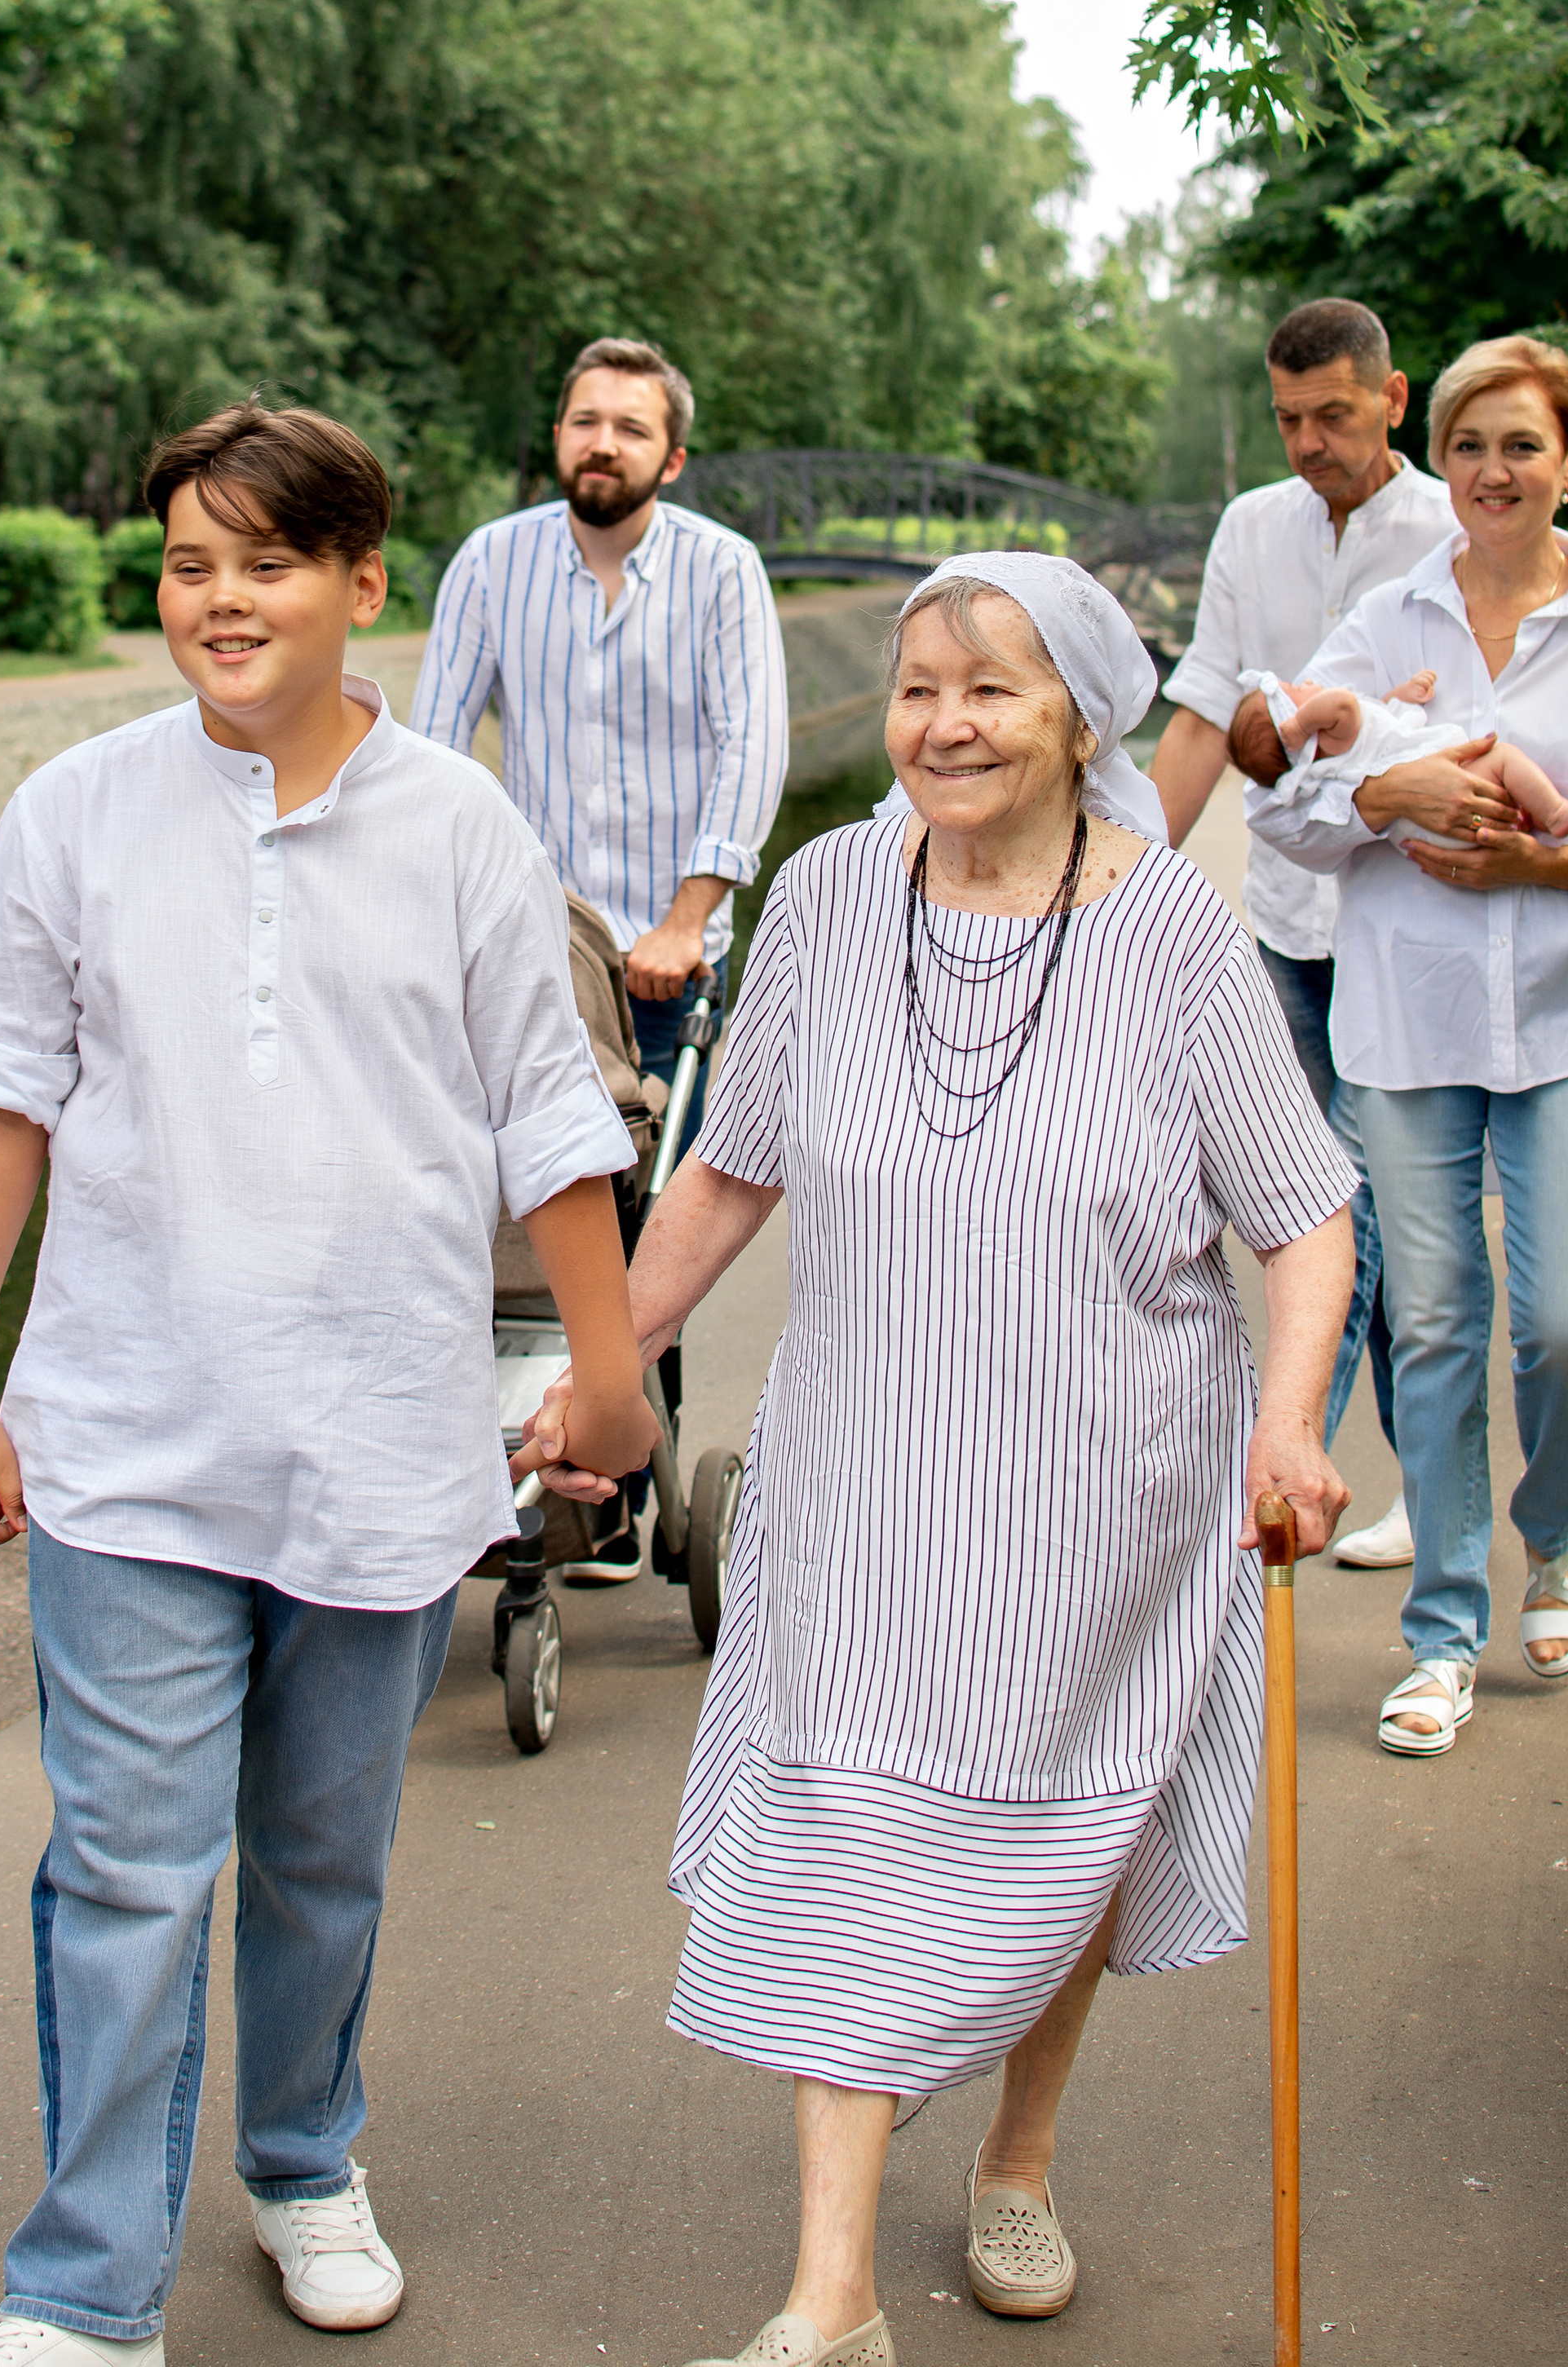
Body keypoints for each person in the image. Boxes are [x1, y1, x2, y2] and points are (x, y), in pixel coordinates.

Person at [521, 554, 1355, 2360]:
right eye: (916, 689)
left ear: (1080, 717)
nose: (943, 725)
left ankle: (1017, 2158)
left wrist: (1287, 1425)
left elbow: (1302, 1217)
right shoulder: (829, 895)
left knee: (1062, 1836)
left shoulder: (1172, 935)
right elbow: (729, 1168)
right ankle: (829, 2299)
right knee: (849, 1834)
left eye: (990, 689)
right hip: (864, 1470)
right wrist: (610, 1364)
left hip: (1106, 1484)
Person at [0, 401, 655, 2367]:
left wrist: (609, 1371)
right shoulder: (72, 810)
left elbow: (547, 1117)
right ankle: (85, 2292)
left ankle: (302, 2158)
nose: (219, 599)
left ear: (358, 582)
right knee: (126, 1870)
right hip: (125, 1439)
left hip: (379, 1445)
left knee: (323, 1860)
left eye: (263, 562)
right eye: (188, 563)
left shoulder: (461, 832)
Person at [1244, 336, 1568, 1758]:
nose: (1492, 471)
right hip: (1409, 1022)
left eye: (1521, 445)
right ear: (1438, 461)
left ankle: (1553, 1538)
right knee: (1436, 1323)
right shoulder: (1383, 622)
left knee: (1565, 1324)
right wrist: (1388, 795)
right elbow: (1282, 800)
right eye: (1467, 447)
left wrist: (1553, 866)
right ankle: (1442, 1632)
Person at [412, 334, 788, 1577]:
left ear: (669, 458)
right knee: (495, 1212)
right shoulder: (492, 562)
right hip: (526, 956)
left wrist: (687, 918)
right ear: (559, 436)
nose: (602, 444)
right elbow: (435, 743)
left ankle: (617, 1480)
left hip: (663, 964)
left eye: (630, 427)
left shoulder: (723, 572)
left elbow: (750, 750)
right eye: (585, 421)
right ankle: (481, 1454)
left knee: (638, 1219)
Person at [1150, 296, 1455, 1568]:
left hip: (1413, 931)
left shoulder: (1454, 529)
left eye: (1333, 414)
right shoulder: (1253, 528)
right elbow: (1201, 723)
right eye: (1287, 419)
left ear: (1392, 399)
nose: (1309, 442)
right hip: (1288, 931)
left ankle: (1271, 1489)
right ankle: (1411, 1492)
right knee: (1317, 1210)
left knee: (1369, 1215)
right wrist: (1118, 887)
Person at [1246, 665, 1568, 836]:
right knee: (1504, 759)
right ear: (1301, 736)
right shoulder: (1329, 733)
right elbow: (1342, 702)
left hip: (1429, 825)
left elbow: (1379, 719)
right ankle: (1558, 814)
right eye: (1296, 691)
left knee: (1516, 802)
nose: (1309, 682)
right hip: (1445, 793)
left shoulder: (1340, 746)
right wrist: (1300, 726)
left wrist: (1400, 695)